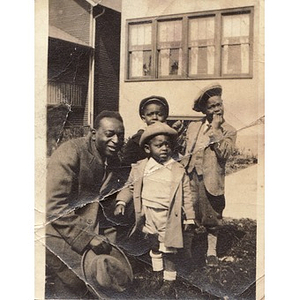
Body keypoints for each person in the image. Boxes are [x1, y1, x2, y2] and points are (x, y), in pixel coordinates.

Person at [46, 110, 130, 298]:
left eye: (120, 135)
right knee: (75, 281)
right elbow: (53, 206)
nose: (116, 140)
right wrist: (88, 237)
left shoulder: (112, 159)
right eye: (110, 134)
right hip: (56, 230)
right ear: (93, 133)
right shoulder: (71, 152)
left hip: (85, 230)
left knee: (103, 279)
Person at [114, 122, 195, 297]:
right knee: (154, 243)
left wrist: (189, 217)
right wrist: (121, 202)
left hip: (168, 216)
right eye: (159, 145)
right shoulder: (141, 167)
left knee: (169, 248)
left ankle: (169, 280)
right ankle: (158, 272)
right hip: (147, 213)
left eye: (167, 144)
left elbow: (187, 194)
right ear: (147, 148)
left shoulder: (176, 169)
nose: (164, 148)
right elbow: (130, 187)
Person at [182, 83, 237, 267]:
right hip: (191, 177)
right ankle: (187, 251)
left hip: (210, 179)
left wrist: (215, 129)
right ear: (204, 109)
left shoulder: (228, 130)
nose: (216, 109)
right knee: (189, 213)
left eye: (219, 104)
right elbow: (187, 149)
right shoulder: (194, 126)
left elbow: (224, 154)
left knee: (212, 216)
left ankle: (211, 251)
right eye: (211, 106)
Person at [120, 95, 169, 167]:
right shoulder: (137, 140)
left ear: (165, 117)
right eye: (150, 114)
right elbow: (126, 165)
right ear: (143, 118)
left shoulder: (169, 138)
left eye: (159, 114)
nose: (155, 117)